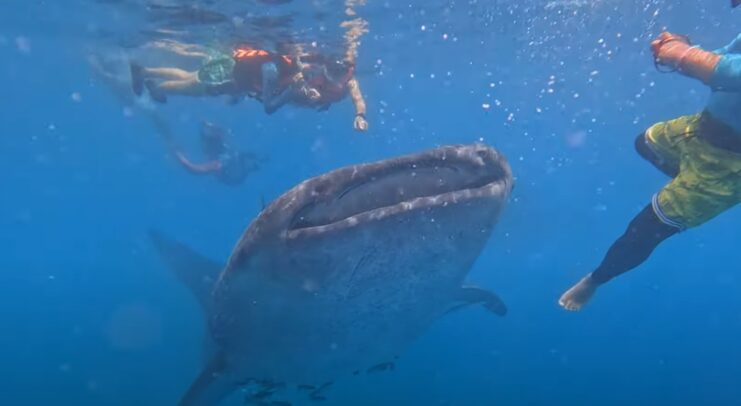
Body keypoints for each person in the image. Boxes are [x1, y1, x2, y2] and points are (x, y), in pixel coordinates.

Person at [559, 30, 741, 311]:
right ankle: (690, 192)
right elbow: (721, 60)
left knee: (646, 229)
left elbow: (726, 73)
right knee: (645, 143)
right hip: (700, 129)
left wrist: (683, 53)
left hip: (729, 166)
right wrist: (686, 50)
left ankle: (595, 280)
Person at [157, 120, 262, 186]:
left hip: (235, 172)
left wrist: (178, 154)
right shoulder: (219, 163)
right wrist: (178, 154)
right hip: (234, 175)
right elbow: (193, 169)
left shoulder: (220, 160)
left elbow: (193, 168)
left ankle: (251, 167)